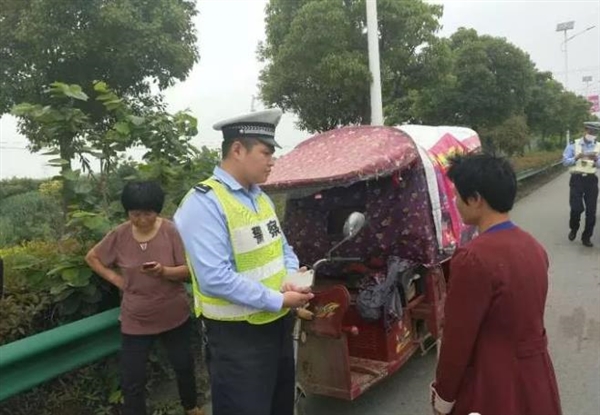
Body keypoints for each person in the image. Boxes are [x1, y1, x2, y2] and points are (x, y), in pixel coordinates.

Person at [174, 108, 314, 415]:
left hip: (276, 327)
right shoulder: (204, 203)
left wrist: (291, 276)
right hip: (237, 340)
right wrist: (278, 299)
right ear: (237, 149)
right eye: (266, 152)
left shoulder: (261, 198)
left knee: (280, 406)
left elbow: (283, 249)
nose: (272, 161)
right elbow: (214, 278)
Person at [430, 154, 561, 415]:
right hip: (536, 377)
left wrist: (443, 396)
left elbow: (457, 340)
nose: (455, 202)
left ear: (475, 199)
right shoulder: (533, 247)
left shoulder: (473, 258)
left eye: (457, 195)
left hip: (493, 383)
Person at [85, 181, 202, 415]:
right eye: (135, 214)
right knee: (132, 378)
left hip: (173, 314)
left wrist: (164, 271)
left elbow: (190, 271)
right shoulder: (120, 234)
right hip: (136, 318)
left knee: (183, 365)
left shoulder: (171, 231)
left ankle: (191, 407)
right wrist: (117, 279)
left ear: (157, 211)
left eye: (147, 214)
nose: (141, 220)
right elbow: (92, 257)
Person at [562, 121, 600, 247]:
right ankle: (574, 228)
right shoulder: (574, 144)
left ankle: (586, 237)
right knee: (576, 208)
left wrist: (596, 160)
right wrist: (576, 157)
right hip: (576, 179)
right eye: (590, 131)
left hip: (591, 180)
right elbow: (565, 162)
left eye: (594, 132)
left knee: (591, 212)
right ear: (585, 130)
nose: (592, 134)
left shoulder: (598, 146)